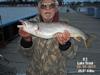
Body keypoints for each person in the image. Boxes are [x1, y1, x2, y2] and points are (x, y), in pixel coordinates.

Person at [18, 0, 77, 75]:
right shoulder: (31, 24)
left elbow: (72, 55)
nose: (47, 9)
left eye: (51, 6)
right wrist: (26, 40)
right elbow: (25, 54)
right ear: (39, 9)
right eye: (43, 6)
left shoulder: (65, 25)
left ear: (56, 8)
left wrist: (65, 45)